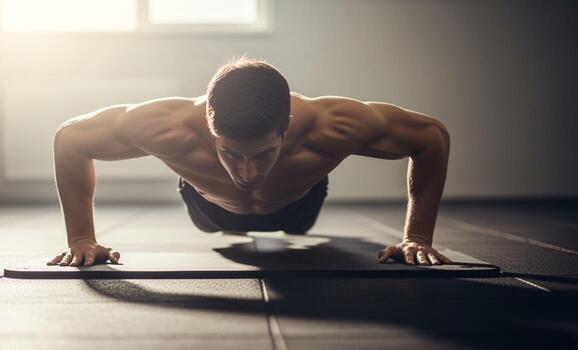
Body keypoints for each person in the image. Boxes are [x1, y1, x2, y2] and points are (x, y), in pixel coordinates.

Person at [47, 55, 452, 268]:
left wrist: (417, 236)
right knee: (217, 210)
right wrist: (81, 239)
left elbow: (431, 137)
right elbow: (70, 140)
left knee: (300, 219)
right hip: (209, 209)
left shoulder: (333, 125)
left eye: (263, 154)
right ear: (209, 127)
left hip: (299, 205)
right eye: (229, 153)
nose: (246, 173)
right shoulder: (165, 126)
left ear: (286, 127)